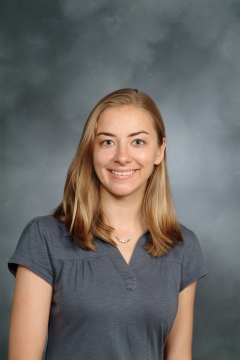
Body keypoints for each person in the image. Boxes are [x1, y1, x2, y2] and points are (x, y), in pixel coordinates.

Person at [8, 88, 207, 360]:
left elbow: (179, 355)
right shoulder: (44, 237)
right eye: (107, 142)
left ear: (159, 151)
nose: (122, 157)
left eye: (138, 142)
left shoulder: (183, 246)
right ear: (91, 150)